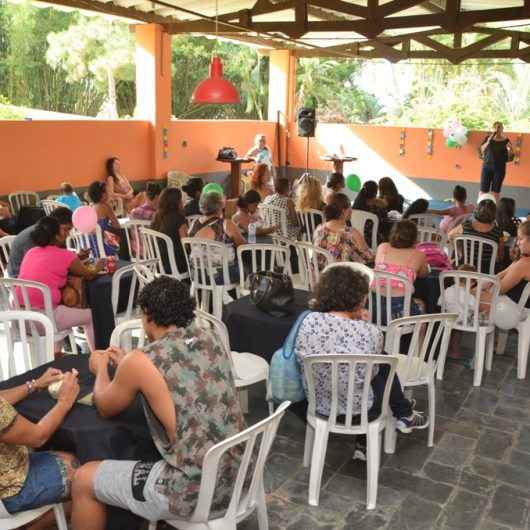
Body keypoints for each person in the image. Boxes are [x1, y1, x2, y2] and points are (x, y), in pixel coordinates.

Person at [71, 277, 245, 530]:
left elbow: (105, 406)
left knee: (84, 479)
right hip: (239, 477)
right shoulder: (210, 336)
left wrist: (101, 370)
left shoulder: (141, 360)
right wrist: (128, 366)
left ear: (147, 315)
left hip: (194, 492)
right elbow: (182, 375)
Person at [294, 266, 428, 460]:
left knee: (369, 368)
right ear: (360, 298)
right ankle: (403, 414)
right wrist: (363, 324)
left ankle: (400, 416)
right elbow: (370, 374)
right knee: (382, 366)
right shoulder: (371, 333)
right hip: (361, 412)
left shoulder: (307, 321)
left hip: (318, 404)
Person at [0, 368, 80, 517]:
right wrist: (65, 401)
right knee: (87, 473)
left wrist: (34, 385)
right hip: (11, 491)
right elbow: (38, 437)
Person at [18, 216, 104, 351]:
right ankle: (97, 357)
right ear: (56, 235)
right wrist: (99, 266)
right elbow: (89, 273)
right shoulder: (65, 255)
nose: (66, 233)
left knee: (58, 309)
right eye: (63, 230)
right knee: (91, 316)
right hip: (43, 321)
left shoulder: (31, 253)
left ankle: (55, 356)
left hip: (20, 319)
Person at [374, 220, 428, 321]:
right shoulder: (418, 255)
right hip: (399, 312)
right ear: (414, 238)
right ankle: (419, 337)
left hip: (373, 306)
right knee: (421, 305)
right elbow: (424, 274)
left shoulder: (383, 247)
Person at [188, 192, 245, 283]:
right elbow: (243, 246)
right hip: (219, 275)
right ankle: (234, 295)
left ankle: (222, 296)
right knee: (250, 268)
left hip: (196, 274)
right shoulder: (225, 224)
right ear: (220, 206)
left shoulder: (194, 223)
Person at [8, 207, 74, 278]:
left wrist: (73, 259)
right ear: (54, 224)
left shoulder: (50, 232)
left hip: (36, 272)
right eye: (66, 229)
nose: (68, 234)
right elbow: (38, 268)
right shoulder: (35, 236)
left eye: (69, 230)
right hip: (20, 279)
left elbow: (60, 255)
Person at [313, 193, 373, 267]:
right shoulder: (351, 233)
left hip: (322, 274)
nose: (351, 210)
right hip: (344, 276)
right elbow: (368, 258)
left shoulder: (319, 229)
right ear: (344, 211)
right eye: (350, 207)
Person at [448, 199, 504, 273]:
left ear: (477, 210)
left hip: (464, 268)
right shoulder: (498, 232)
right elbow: (500, 256)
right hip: (486, 271)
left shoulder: (465, 226)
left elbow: (450, 236)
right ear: (494, 214)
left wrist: (459, 250)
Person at [150, 187, 188, 275]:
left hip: (158, 263)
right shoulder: (179, 219)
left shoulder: (156, 216)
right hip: (175, 265)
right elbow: (186, 245)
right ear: (177, 202)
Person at [479, 121, 513, 203]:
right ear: (493, 129)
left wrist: (510, 149)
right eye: (496, 127)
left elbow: (511, 156)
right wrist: (488, 141)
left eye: (499, 127)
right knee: (483, 189)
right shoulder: (488, 138)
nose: (497, 129)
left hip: (499, 168)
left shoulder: (506, 140)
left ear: (502, 129)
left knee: (496, 190)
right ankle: (480, 208)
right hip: (487, 167)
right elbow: (481, 150)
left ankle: (495, 210)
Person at [87, 181, 122, 257]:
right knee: (123, 235)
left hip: (91, 246)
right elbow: (117, 226)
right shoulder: (105, 207)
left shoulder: (90, 206)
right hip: (103, 246)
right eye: (107, 191)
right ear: (102, 194)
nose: (109, 193)